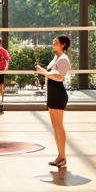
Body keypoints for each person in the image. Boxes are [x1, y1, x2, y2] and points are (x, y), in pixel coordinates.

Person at [36, 34, 72, 169]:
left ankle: (62, 156)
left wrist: (44, 72)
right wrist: (43, 71)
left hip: (58, 94)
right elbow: (51, 73)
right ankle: (60, 156)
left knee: (58, 125)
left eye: (55, 42)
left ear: (63, 45)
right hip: (53, 93)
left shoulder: (63, 58)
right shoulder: (57, 57)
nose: (53, 44)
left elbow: (59, 77)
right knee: (55, 126)